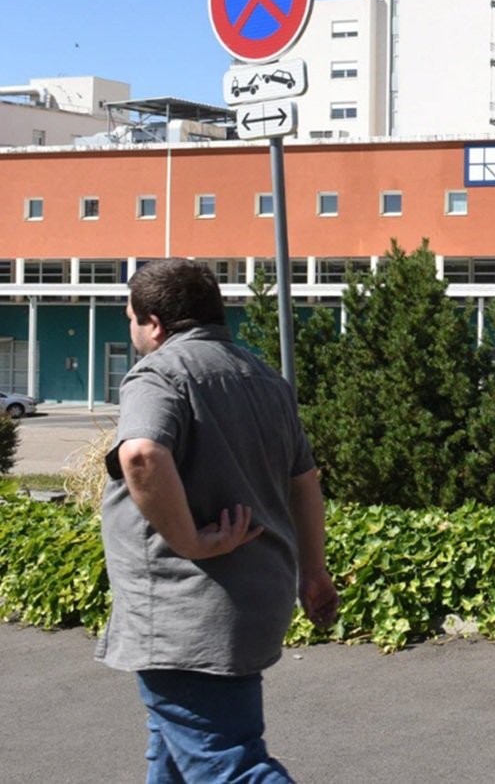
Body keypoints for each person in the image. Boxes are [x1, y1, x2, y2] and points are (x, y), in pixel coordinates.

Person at [97, 259, 338, 783]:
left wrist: (190, 542)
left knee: (227, 765)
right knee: (175, 751)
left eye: (131, 319)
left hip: (187, 612)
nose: (133, 331)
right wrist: (313, 571)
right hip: (248, 602)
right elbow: (306, 480)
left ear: (154, 323)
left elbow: (140, 454)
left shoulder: (161, 372)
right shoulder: (264, 377)